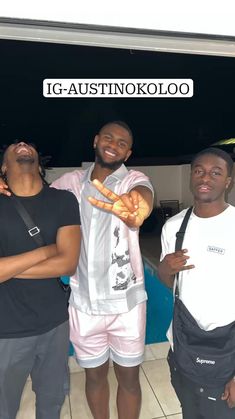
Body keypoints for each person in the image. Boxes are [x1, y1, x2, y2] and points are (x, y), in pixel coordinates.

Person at [51, 120, 154, 419]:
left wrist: (139, 209)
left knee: (129, 380)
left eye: (122, 142)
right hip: (83, 304)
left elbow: (142, 194)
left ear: (129, 152)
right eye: (108, 137)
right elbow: (37, 199)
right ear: (96, 140)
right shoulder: (70, 183)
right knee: (94, 378)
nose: (114, 144)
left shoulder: (133, 179)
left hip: (128, 306)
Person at [0, 141, 81, 419]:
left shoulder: (63, 200)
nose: (23, 145)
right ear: (3, 166)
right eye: (14, 145)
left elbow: (68, 263)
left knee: (51, 404)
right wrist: (46, 251)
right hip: (5, 331)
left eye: (29, 145)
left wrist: (6, 268)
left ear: (40, 163)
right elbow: (57, 256)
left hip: (54, 326)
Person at [157, 147, 235, 419]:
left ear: (228, 181)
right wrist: (165, 268)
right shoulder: (175, 227)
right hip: (183, 348)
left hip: (228, 355)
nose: (206, 177)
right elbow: (170, 284)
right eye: (199, 170)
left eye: (216, 172)